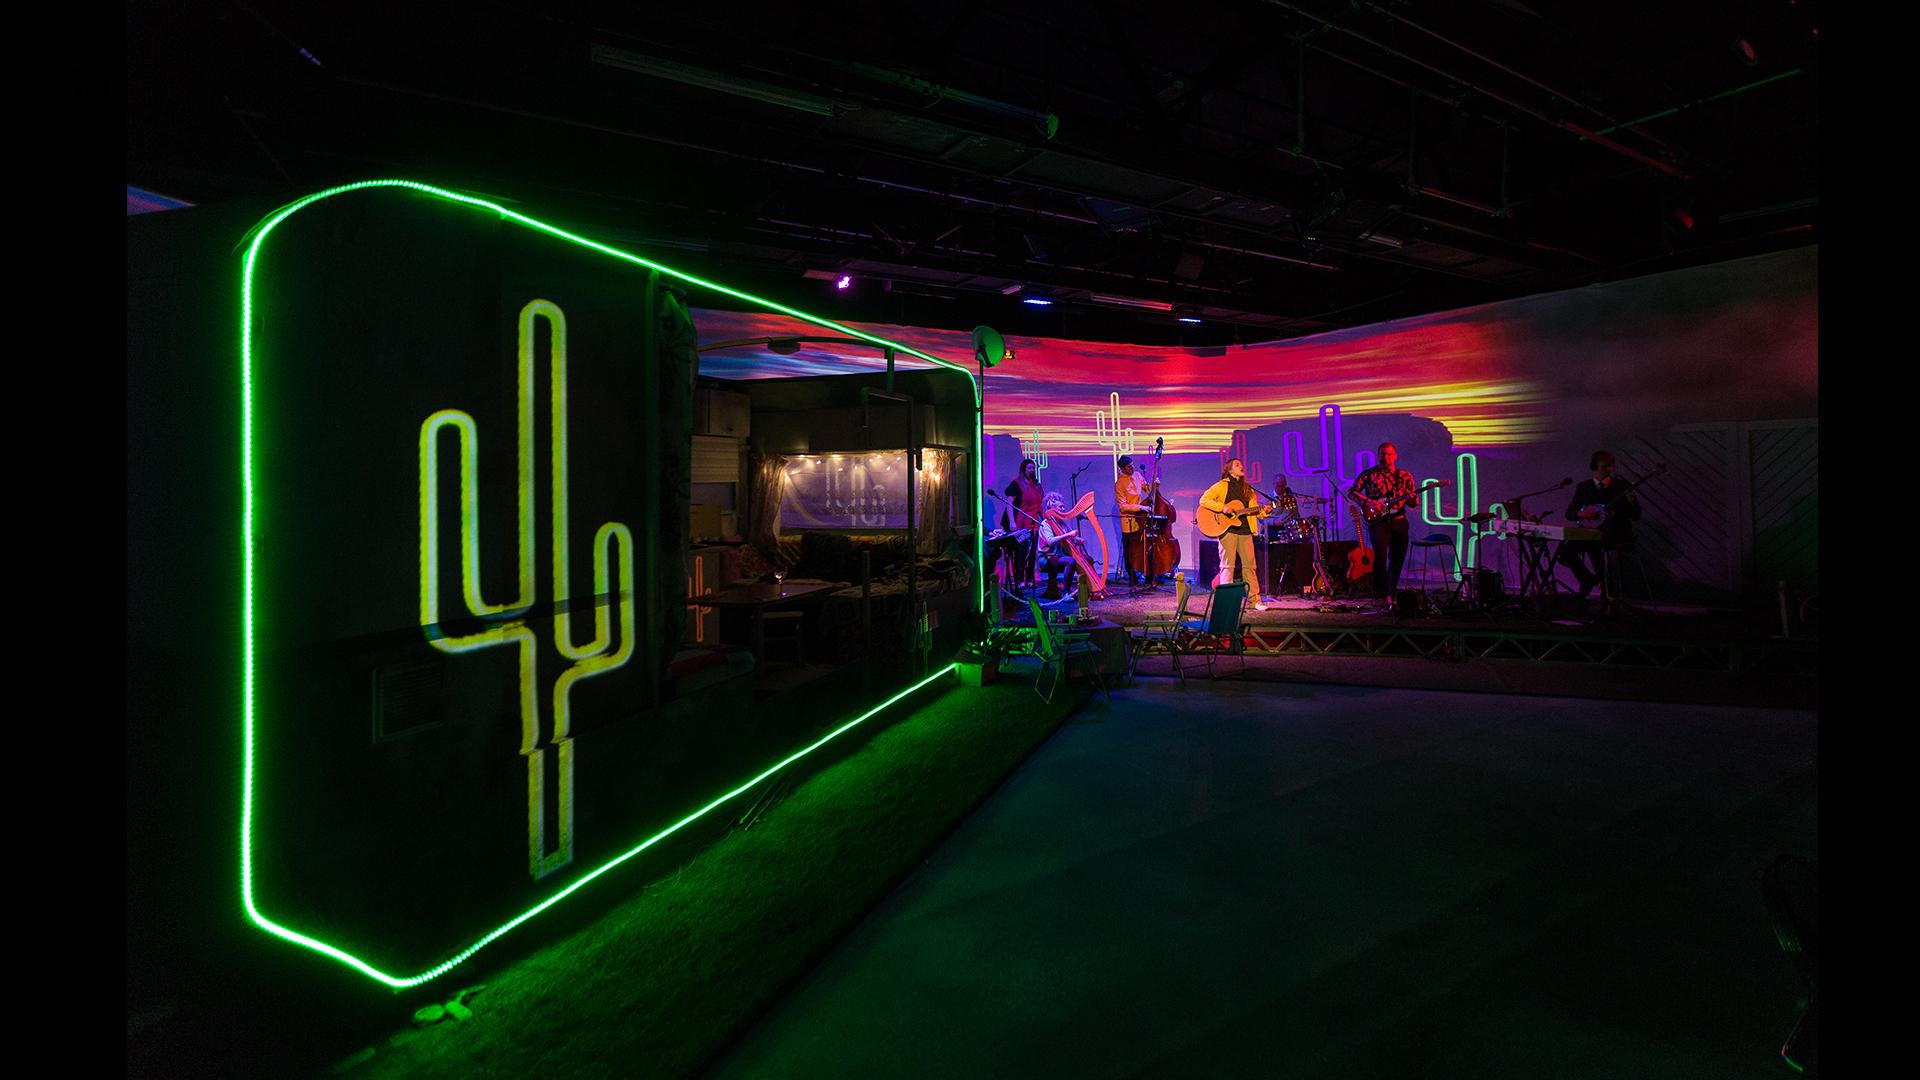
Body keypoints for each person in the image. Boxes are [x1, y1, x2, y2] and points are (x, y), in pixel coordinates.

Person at [1557, 450, 1641, 598]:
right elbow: (1569, 513)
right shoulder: (1583, 487)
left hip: (1614, 532)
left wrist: (1630, 504)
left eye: (1610, 466)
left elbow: (1636, 515)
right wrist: (1581, 513)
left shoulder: (1621, 486)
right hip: (1591, 532)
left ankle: (1607, 589)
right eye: (1604, 466)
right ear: (1594, 466)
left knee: (1594, 544)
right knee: (1566, 552)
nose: (1609, 469)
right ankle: (1588, 579)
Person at [1197, 458, 1269, 611]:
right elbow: (1204, 500)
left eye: (1241, 464)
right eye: (1237, 465)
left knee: (1250, 566)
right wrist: (1223, 508)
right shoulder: (1220, 486)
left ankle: (1255, 600)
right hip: (1227, 530)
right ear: (1229, 470)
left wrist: (1265, 511)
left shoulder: (1248, 489)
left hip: (1245, 531)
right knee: (1227, 567)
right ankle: (1226, 603)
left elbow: (1255, 510)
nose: (1241, 466)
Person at [1351, 442, 1416, 603]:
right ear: (1378, 455)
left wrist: (1411, 497)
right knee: (1379, 558)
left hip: (1399, 521)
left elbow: (1414, 502)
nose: (1385, 457)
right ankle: (1380, 595)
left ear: (1395, 456)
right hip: (1378, 522)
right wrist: (1367, 502)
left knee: (1397, 559)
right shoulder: (1369, 474)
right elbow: (1352, 492)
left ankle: (1391, 593)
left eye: (1388, 454)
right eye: (1382, 454)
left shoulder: (1404, 476)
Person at [1000, 458, 1045, 593]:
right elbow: (1009, 504)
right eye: (1029, 468)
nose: (1032, 470)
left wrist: (1045, 520)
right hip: (1019, 523)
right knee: (1021, 553)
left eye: (1033, 468)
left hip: (1033, 523)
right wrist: (1012, 522)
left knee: (1032, 553)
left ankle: (1030, 579)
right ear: (1023, 470)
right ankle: (1019, 580)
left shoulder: (1036, 485)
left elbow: (1038, 505)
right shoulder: (1016, 483)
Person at [1036, 492, 1081, 599]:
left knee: (1088, 559)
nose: (1064, 509)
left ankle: (1089, 589)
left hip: (1059, 555)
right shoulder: (1045, 524)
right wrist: (1068, 535)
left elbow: (1070, 538)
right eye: (1061, 507)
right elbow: (1050, 541)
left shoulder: (1062, 523)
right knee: (1070, 561)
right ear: (1052, 509)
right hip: (1047, 557)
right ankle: (1066, 593)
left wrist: (1076, 539)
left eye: (1063, 506)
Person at [1114, 455, 1147, 587]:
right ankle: (1132, 575)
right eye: (1129, 466)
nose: (1132, 468)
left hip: (1140, 519)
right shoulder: (1119, 484)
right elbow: (1123, 506)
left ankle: (1147, 573)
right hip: (1128, 521)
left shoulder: (1138, 476)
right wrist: (1140, 507)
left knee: (1141, 547)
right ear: (1122, 469)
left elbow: (1147, 489)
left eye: (1132, 465)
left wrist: (1154, 485)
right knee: (1130, 550)